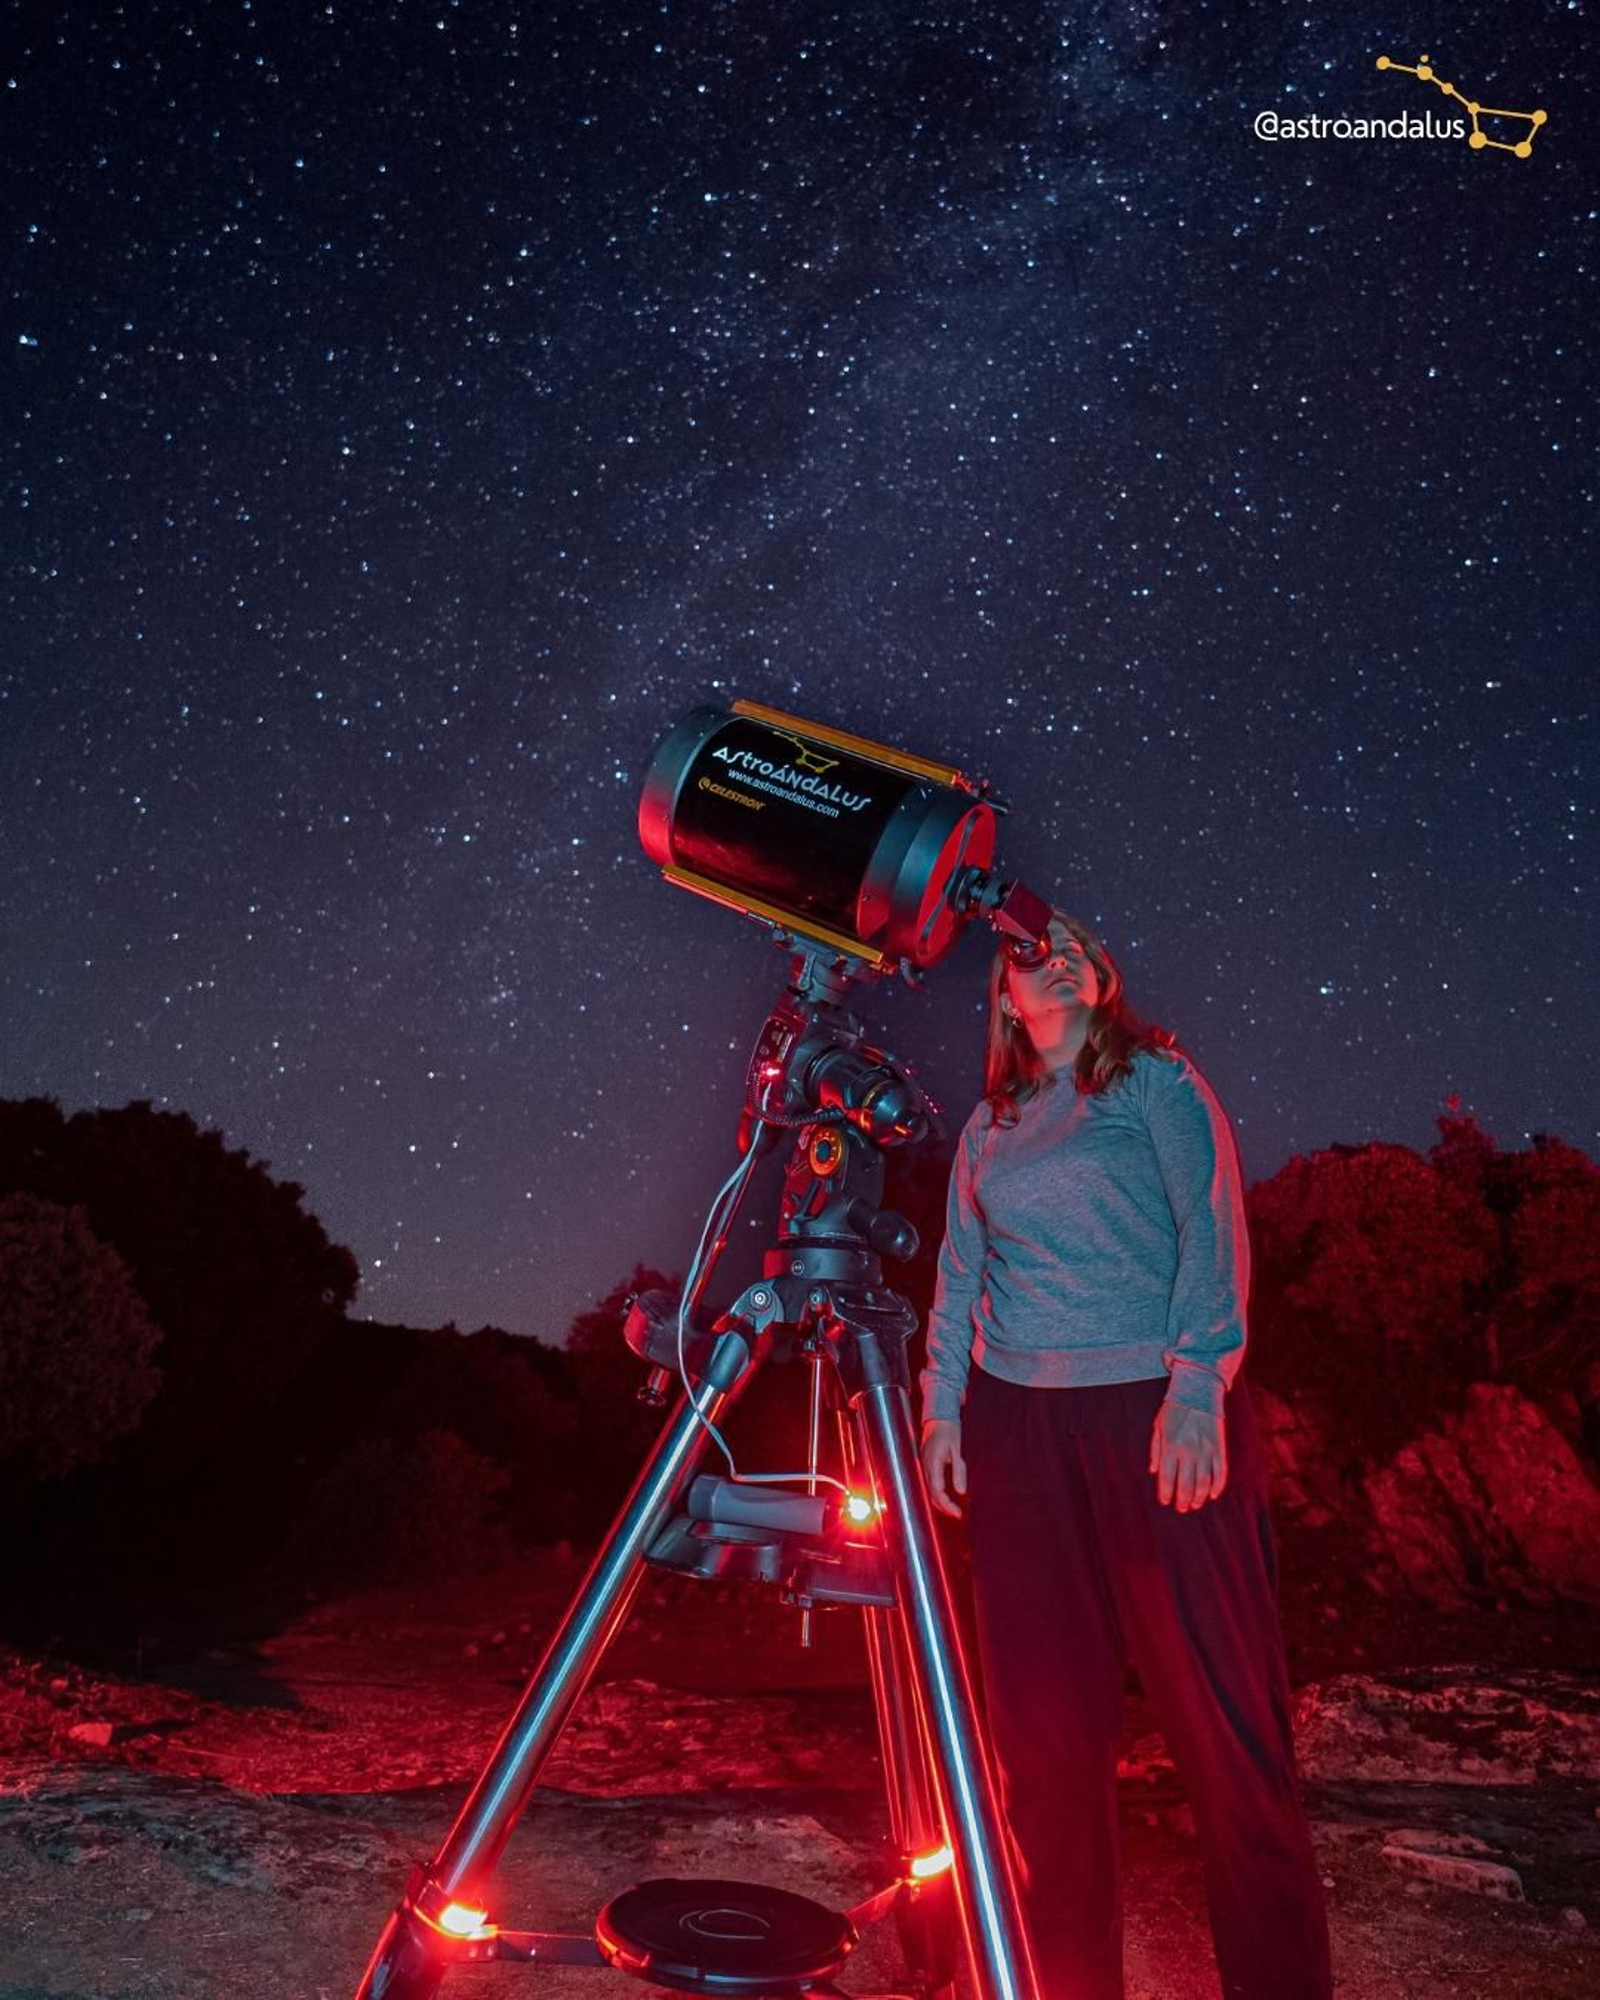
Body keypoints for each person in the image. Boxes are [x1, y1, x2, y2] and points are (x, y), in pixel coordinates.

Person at [918, 912, 1332, 2000]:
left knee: (1225, 1732)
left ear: (1102, 977)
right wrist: (941, 1410)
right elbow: (960, 1274)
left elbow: (1208, 1224)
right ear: (1006, 999)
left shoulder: (1157, 1082)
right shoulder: (988, 1124)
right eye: (1026, 950)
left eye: (1074, 945)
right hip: (1018, 1432)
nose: (1050, 953)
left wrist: (1198, 1379)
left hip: (1155, 1416)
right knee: (1045, 1751)